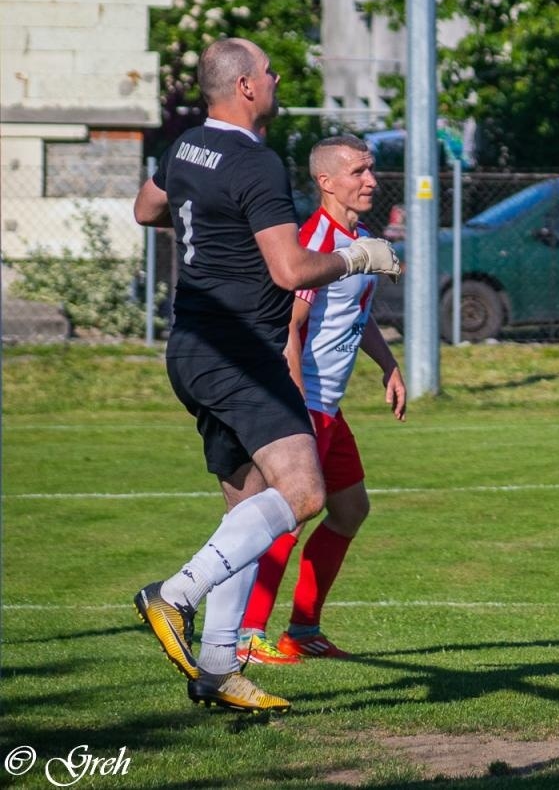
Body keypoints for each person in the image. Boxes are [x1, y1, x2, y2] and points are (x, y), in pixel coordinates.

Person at [132, 38, 399, 712]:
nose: (278, 79)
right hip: (240, 353)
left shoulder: (186, 146)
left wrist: (209, 222)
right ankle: (174, 594)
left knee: (246, 511)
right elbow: (291, 271)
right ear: (247, 86)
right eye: (270, 72)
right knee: (304, 494)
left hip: (189, 348)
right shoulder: (256, 161)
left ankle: (218, 670)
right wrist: (358, 257)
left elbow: (146, 210)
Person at [237, 135, 407, 665]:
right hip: (305, 405)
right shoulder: (313, 242)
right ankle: (247, 635)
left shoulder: (358, 242)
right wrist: (294, 408)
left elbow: (356, 312)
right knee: (292, 514)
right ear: (326, 181)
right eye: (358, 171)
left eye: (371, 170)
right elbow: (291, 326)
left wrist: (388, 364)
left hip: (330, 407)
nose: (371, 181)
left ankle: (304, 628)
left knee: (351, 510)